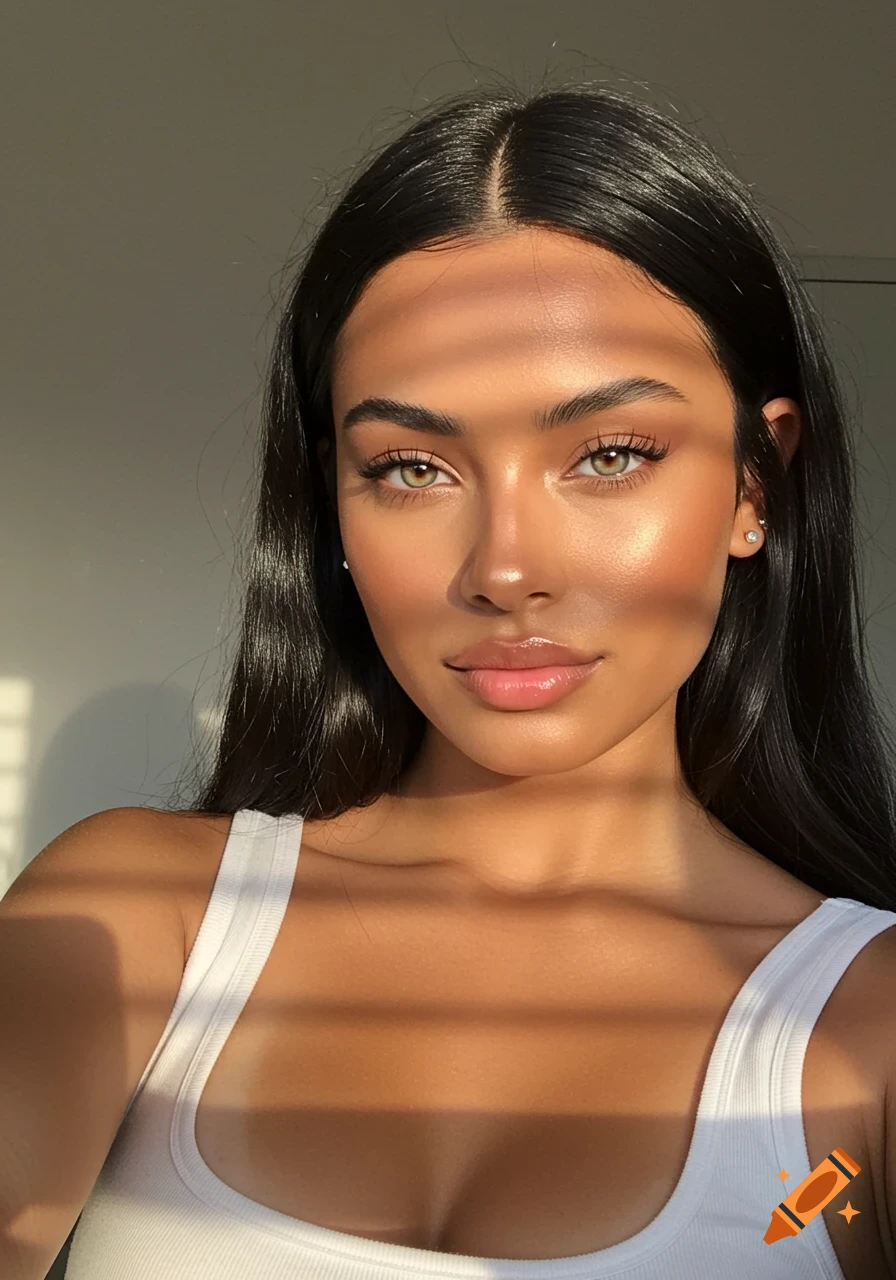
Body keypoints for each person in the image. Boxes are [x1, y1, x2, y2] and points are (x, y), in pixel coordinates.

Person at [3, 79, 896, 1280]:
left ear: (755, 486)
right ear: (332, 496)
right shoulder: (135, 918)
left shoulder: (862, 1037)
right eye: (412, 466)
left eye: (609, 453)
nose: (505, 569)